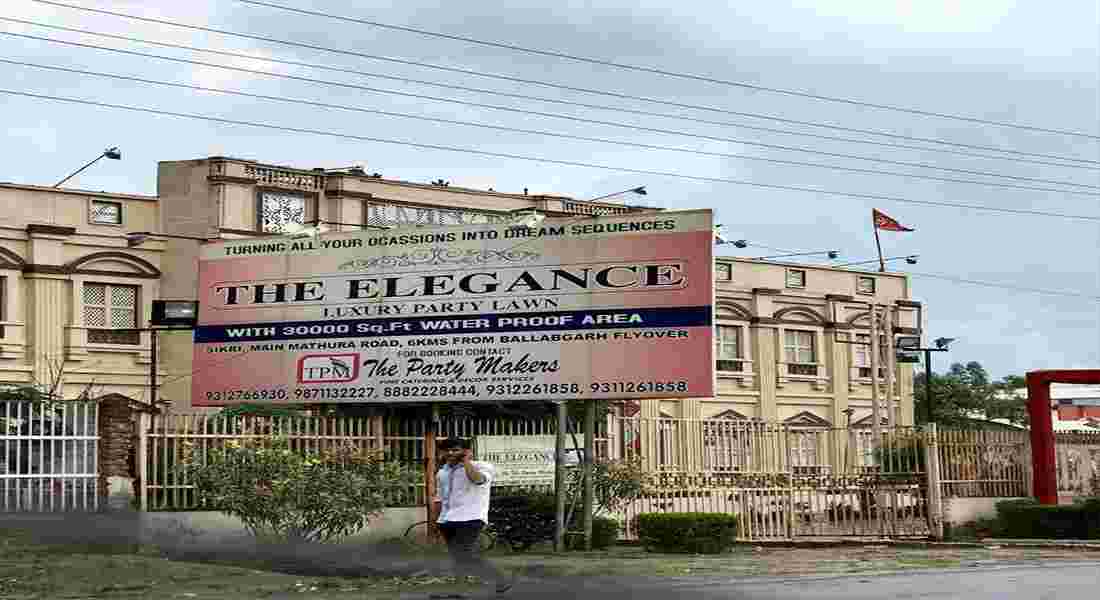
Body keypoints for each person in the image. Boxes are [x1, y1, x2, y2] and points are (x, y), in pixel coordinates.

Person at [432, 437, 514, 595]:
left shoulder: (482, 466)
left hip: (471, 517)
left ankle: (501, 578)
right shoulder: (442, 472)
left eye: (455, 450)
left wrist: (466, 462)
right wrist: (436, 520)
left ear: (466, 451)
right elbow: (440, 498)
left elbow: (477, 480)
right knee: (456, 557)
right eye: (447, 450)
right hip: (447, 519)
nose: (450, 453)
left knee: (465, 553)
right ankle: (458, 591)